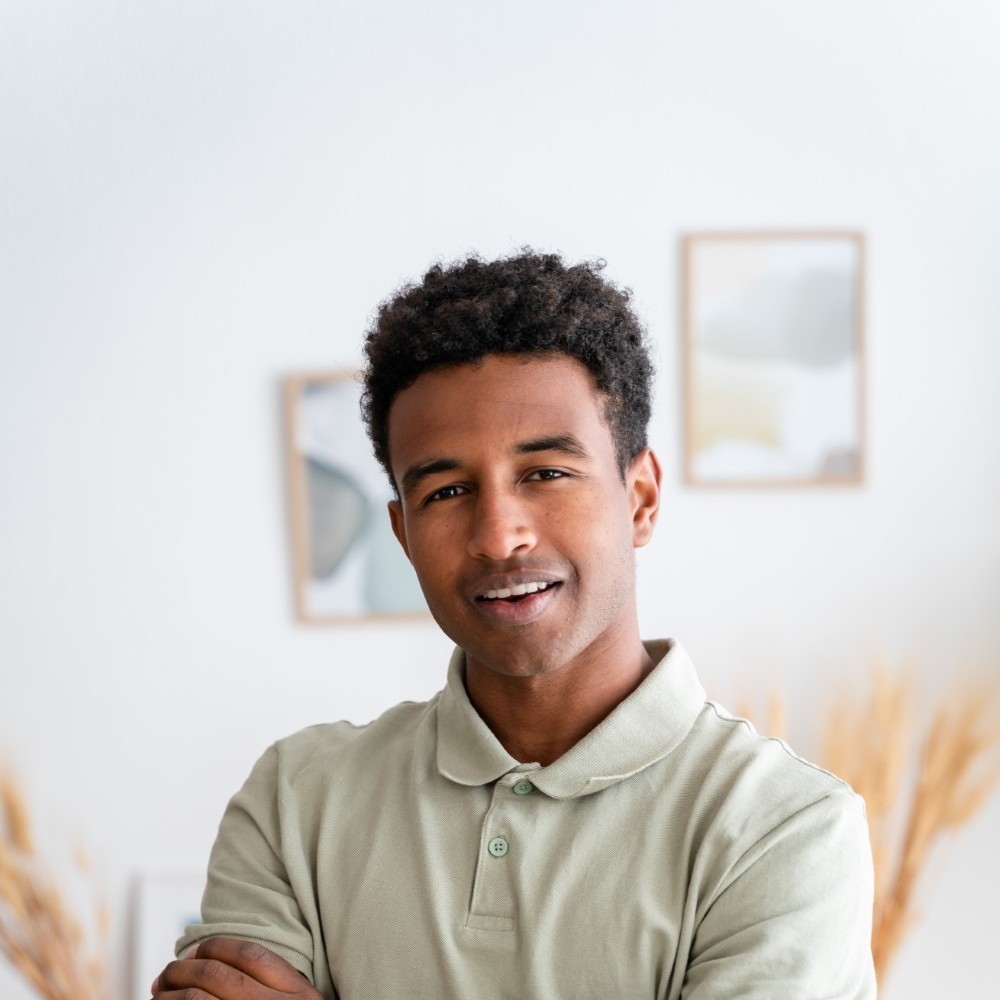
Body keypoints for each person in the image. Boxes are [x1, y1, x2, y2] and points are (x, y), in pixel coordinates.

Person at [152, 250, 876, 999]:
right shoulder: (294, 801)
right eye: (446, 491)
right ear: (402, 535)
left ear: (640, 499)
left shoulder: (784, 827)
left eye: (546, 473)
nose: (499, 536)